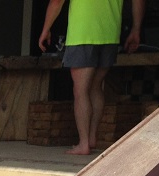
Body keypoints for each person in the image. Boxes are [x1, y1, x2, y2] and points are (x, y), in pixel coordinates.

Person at [39, 0, 144, 155]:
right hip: (110, 34)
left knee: (81, 91)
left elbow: (56, 2)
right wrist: (136, 29)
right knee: (96, 86)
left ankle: (84, 143)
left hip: (83, 34)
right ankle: (92, 137)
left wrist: (45, 30)